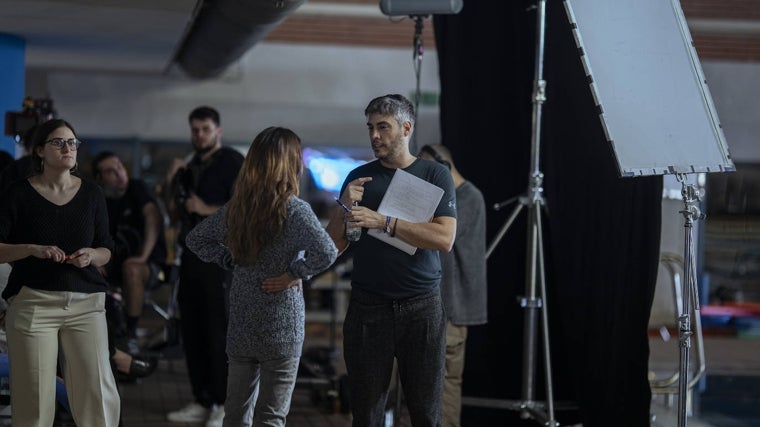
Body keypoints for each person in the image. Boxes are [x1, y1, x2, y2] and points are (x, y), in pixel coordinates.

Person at [186, 126, 338, 427]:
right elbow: (327, 252)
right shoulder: (295, 210)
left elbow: (196, 239)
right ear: (290, 163)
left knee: (236, 416)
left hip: (242, 322)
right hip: (281, 325)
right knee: (271, 418)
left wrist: (229, 260)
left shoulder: (239, 208)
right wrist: (294, 274)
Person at [325, 94, 457, 426]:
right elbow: (332, 246)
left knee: (426, 412)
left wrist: (383, 221)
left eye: (383, 127)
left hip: (421, 308)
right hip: (369, 308)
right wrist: (343, 206)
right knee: (366, 412)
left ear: (406, 128)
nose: (374, 136)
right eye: (370, 127)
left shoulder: (434, 174)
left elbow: (444, 239)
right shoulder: (359, 178)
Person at [0, 119, 121, 426]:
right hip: (32, 305)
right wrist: (31, 248)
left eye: (72, 143)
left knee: (97, 395)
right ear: (39, 151)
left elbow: (106, 247)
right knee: (33, 401)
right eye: (58, 142)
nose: (68, 148)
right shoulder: (18, 193)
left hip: (86, 305)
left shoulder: (92, 194)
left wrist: (92, 255)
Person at [164, 106, 244, 427]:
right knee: (193, 328)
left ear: (218, 131)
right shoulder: (190, 166)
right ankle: (202, 399)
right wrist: (172, 181)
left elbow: (242, 211)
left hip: (221, 259)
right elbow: (174, 214)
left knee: (217, 329)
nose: (200, 135)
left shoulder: (232, 163)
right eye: (195, 130)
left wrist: (206, 208)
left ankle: (225, 403)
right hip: (191, 257)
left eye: (205, 129)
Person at [417, 144, 487, 427]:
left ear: (442, 167)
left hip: (452, 309)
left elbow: (443, 238)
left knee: (442, 385)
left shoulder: (467, 198)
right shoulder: (453, 198)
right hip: (440, 308)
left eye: (427, 171)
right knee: (430, 384)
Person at [92, 150, 168, 353]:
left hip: (151, 266)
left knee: (132, 269)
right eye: (110, 171)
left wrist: (142, 256)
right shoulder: (97, 198)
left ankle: (131, 335)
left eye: (119, 166)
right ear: (99, 178)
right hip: (112, 265)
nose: (119, 173)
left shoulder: (136, 188)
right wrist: (94, 259)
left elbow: (153, 217)